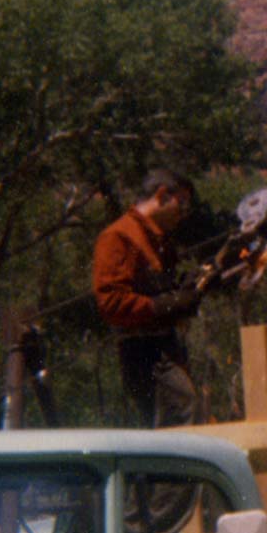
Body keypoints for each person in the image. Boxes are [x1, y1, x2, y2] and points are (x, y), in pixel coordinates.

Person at [93, 169, 203, 427]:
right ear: (162, 195)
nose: (183, 212)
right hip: (143, 352)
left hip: (165, 347)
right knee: (181, 412)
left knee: (180, 414)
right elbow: (110, 303)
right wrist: (165, 304)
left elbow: (160, 292)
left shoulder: (156, 239)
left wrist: (185, 290)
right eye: (182, 202)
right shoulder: (119, 236)